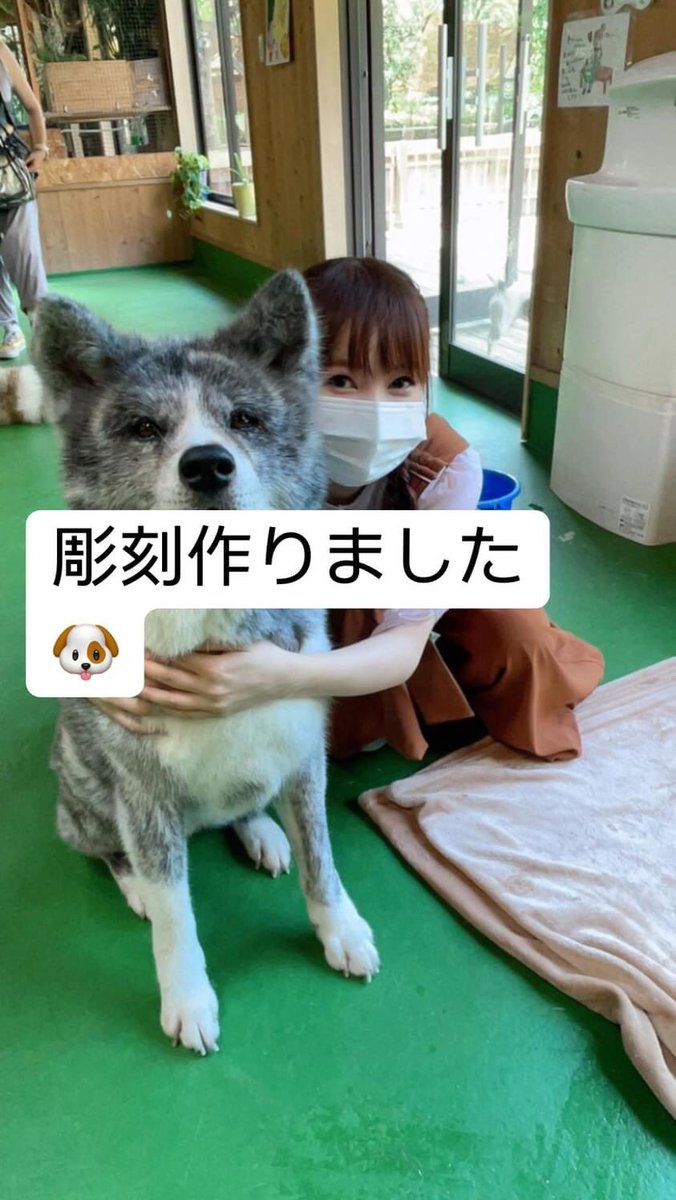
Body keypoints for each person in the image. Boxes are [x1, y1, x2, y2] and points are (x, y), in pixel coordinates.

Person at [97, 257, 604, 763]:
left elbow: (403, 641)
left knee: (520, 636)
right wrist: (99, 671)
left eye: (401, 381)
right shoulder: (236, 457)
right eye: (340, 379)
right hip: (298, 594)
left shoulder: (446, 468)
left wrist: (277, 676)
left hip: (402, 587)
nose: (375, 406)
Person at [0, 39, 48, 359]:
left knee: (25, 254)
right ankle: (10, 329)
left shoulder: (0, 50)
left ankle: (43, 327)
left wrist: (41, 147)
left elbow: (32, 107)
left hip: (11, 173)